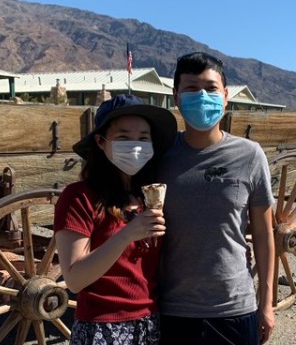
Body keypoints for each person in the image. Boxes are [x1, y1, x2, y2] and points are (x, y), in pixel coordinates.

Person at [156, 52, 276, 345]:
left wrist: (267, 304)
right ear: (176, 97)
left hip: (234, 308)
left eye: (210, 88)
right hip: (173, 310)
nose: (202, 96)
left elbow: (263, 234)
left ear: (225, 97)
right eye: (191, 88)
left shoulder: (250, 155)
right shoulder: (158, 157)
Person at [54, 94, 177, 344]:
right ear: (101, 142)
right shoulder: (79, 197)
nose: (135, 145)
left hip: (150, 323)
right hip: (102, 326)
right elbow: (75, 280)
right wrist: (127, 234)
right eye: (123, 137)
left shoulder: (148, 196)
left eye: (143, 138)